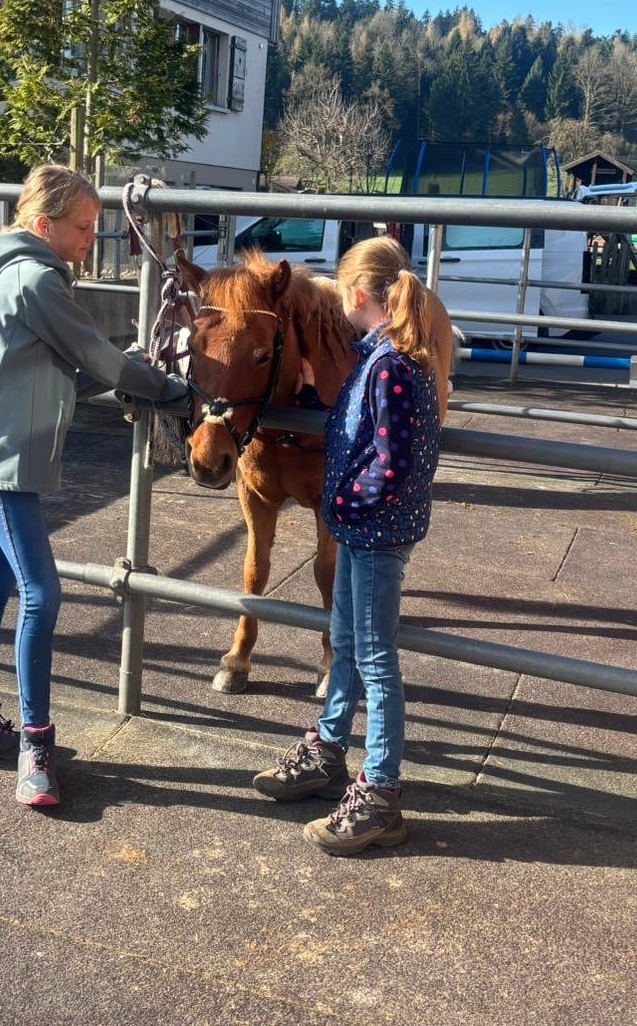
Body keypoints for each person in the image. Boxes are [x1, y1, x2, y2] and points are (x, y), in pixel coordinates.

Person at [0, 164, 186, 809]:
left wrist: (121, 372)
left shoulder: (17, 276)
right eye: (82, 227)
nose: (91, 237)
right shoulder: (36, 281)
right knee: (42, 594)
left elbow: (59, 367)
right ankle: (35, 747)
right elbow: (97, 357)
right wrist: (171, 390)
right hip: (6, 467)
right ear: (42, 224)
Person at [251, 236, 445, 855]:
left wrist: (342, 505)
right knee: (346, 643)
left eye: (340, 293)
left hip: (373, 533)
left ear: (358, 295)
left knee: (376, 661)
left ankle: (381, 792)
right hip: (364, 531)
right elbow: (362, 433)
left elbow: (391, 461)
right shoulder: (379, 358)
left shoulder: (391, 366)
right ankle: (329, 749)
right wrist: (313, 396)